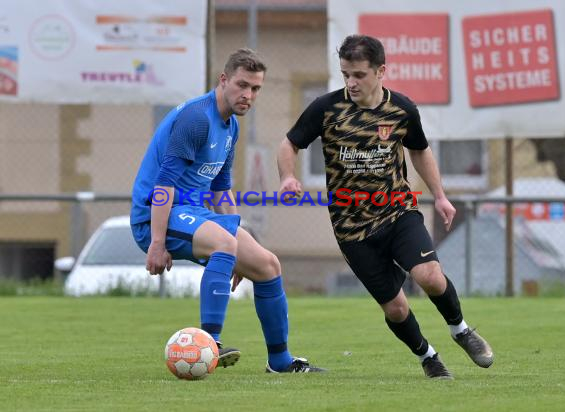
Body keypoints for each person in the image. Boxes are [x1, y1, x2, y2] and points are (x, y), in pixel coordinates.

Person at [277, 35, 493, 379]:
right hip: (351, 229)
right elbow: (289, 144)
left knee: (431, 277)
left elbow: (419, 150)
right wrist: (288, 176)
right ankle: (428, 357)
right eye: (346, 74)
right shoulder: (326, 109)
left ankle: (461, 330)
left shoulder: (401, 109)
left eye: (359, 74)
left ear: (381, 72)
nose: (351, 82)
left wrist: (440, 195)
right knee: (395, 307)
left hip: (397, 212)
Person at [130, 48, 324, 373]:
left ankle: (280, 361)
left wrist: (232, 236)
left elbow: (221, 190)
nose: (248, 95)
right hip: (155, 216)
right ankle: (210, 344)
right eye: (242, 85)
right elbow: (163, 186)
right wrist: (157, 242)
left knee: (267, 265)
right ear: (224, 80)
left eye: (256, 88)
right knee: (225, 244)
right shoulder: (196, 119)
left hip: (193, 213)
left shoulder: (230, 126)